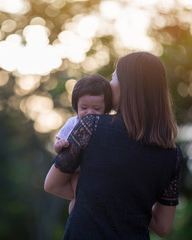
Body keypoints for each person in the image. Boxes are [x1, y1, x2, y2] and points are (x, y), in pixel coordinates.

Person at [44, 51, 183, 239]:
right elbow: (163, 226)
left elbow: (52, 185)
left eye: (114, 77)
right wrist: (130, 203)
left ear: (128, 87)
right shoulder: (172, 155)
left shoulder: (91, 126)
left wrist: (97, 198)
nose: (109, 84)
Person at [54, 74, 112, 214]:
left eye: (96, 109)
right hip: (76, 170)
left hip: (97, 170)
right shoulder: (73, 123)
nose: (89, 112)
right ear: (76, 107)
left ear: (106, 109)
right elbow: (58, 145)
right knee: (78, 195)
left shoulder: (107, 126)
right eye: (84, 108)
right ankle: (75, 217)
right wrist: (60, 145)